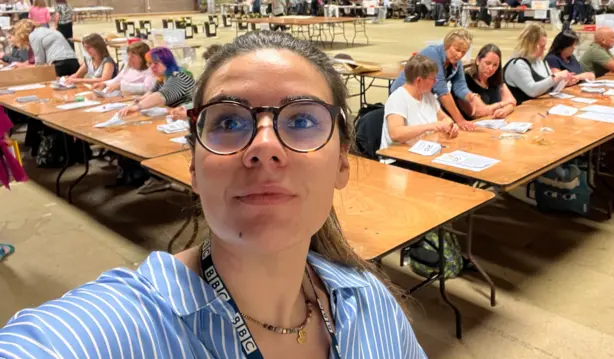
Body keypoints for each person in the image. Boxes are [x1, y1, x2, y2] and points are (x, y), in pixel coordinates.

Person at [0, 30, 427, 358]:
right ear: (194, 166)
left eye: (300, 121)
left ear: (341, 162)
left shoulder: (370, 303)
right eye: (228, 122)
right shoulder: (108, 332)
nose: (264, 147)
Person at [118, 47, 195, 194]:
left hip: (185, 122)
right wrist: (138, 101)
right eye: (149, 64)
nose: (152, 67)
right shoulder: (163, 78)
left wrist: (138, 107)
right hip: (175, 120)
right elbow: (153, 92)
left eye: (155, 63)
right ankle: (152, 175)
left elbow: (161, 96)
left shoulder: (179, 77)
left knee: (149, 139)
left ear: (167, 62)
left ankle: (161, 177)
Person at [391, 29, 489, 131]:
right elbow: (442, 92)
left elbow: (460, 86)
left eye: (463, 52)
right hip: (406, 95)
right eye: (457, 50)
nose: (459, 55)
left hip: (423, 96)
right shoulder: (432, 53)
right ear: (447, 45)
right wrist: (460, 121)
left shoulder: (456, 61)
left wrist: (472, 97)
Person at [381, 54, 459, 154]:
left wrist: (451, 126)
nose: (435, 82)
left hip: (424, 152)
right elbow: (396, 134)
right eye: (432, 79)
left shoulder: (428, 95)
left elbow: (445, 119)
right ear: (419, 80)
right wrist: (430, 126)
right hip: (399, 157)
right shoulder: (398, 98)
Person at [503, 23, 573, 105]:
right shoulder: (517, 64)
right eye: (541, 46)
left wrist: (564, 81)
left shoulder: (541, 61)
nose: (544, 49)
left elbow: (549, 86)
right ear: (531, 45)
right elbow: (532, 90)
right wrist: (556, 77)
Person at [462, 44, 517, 119]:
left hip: (492, 123)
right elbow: (478, 112)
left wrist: (505, 111)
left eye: (495, 65)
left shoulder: (495, 79)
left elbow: (512, 102)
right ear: (478, 60)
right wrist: (503, 104)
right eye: (487, 63)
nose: (491, 68)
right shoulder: (465, 80)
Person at [11, 19, 79, 76]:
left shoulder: (33, 35)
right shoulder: (47, 30)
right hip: (73, 61)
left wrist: (24, 67)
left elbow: (40, 63)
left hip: (59, 64)